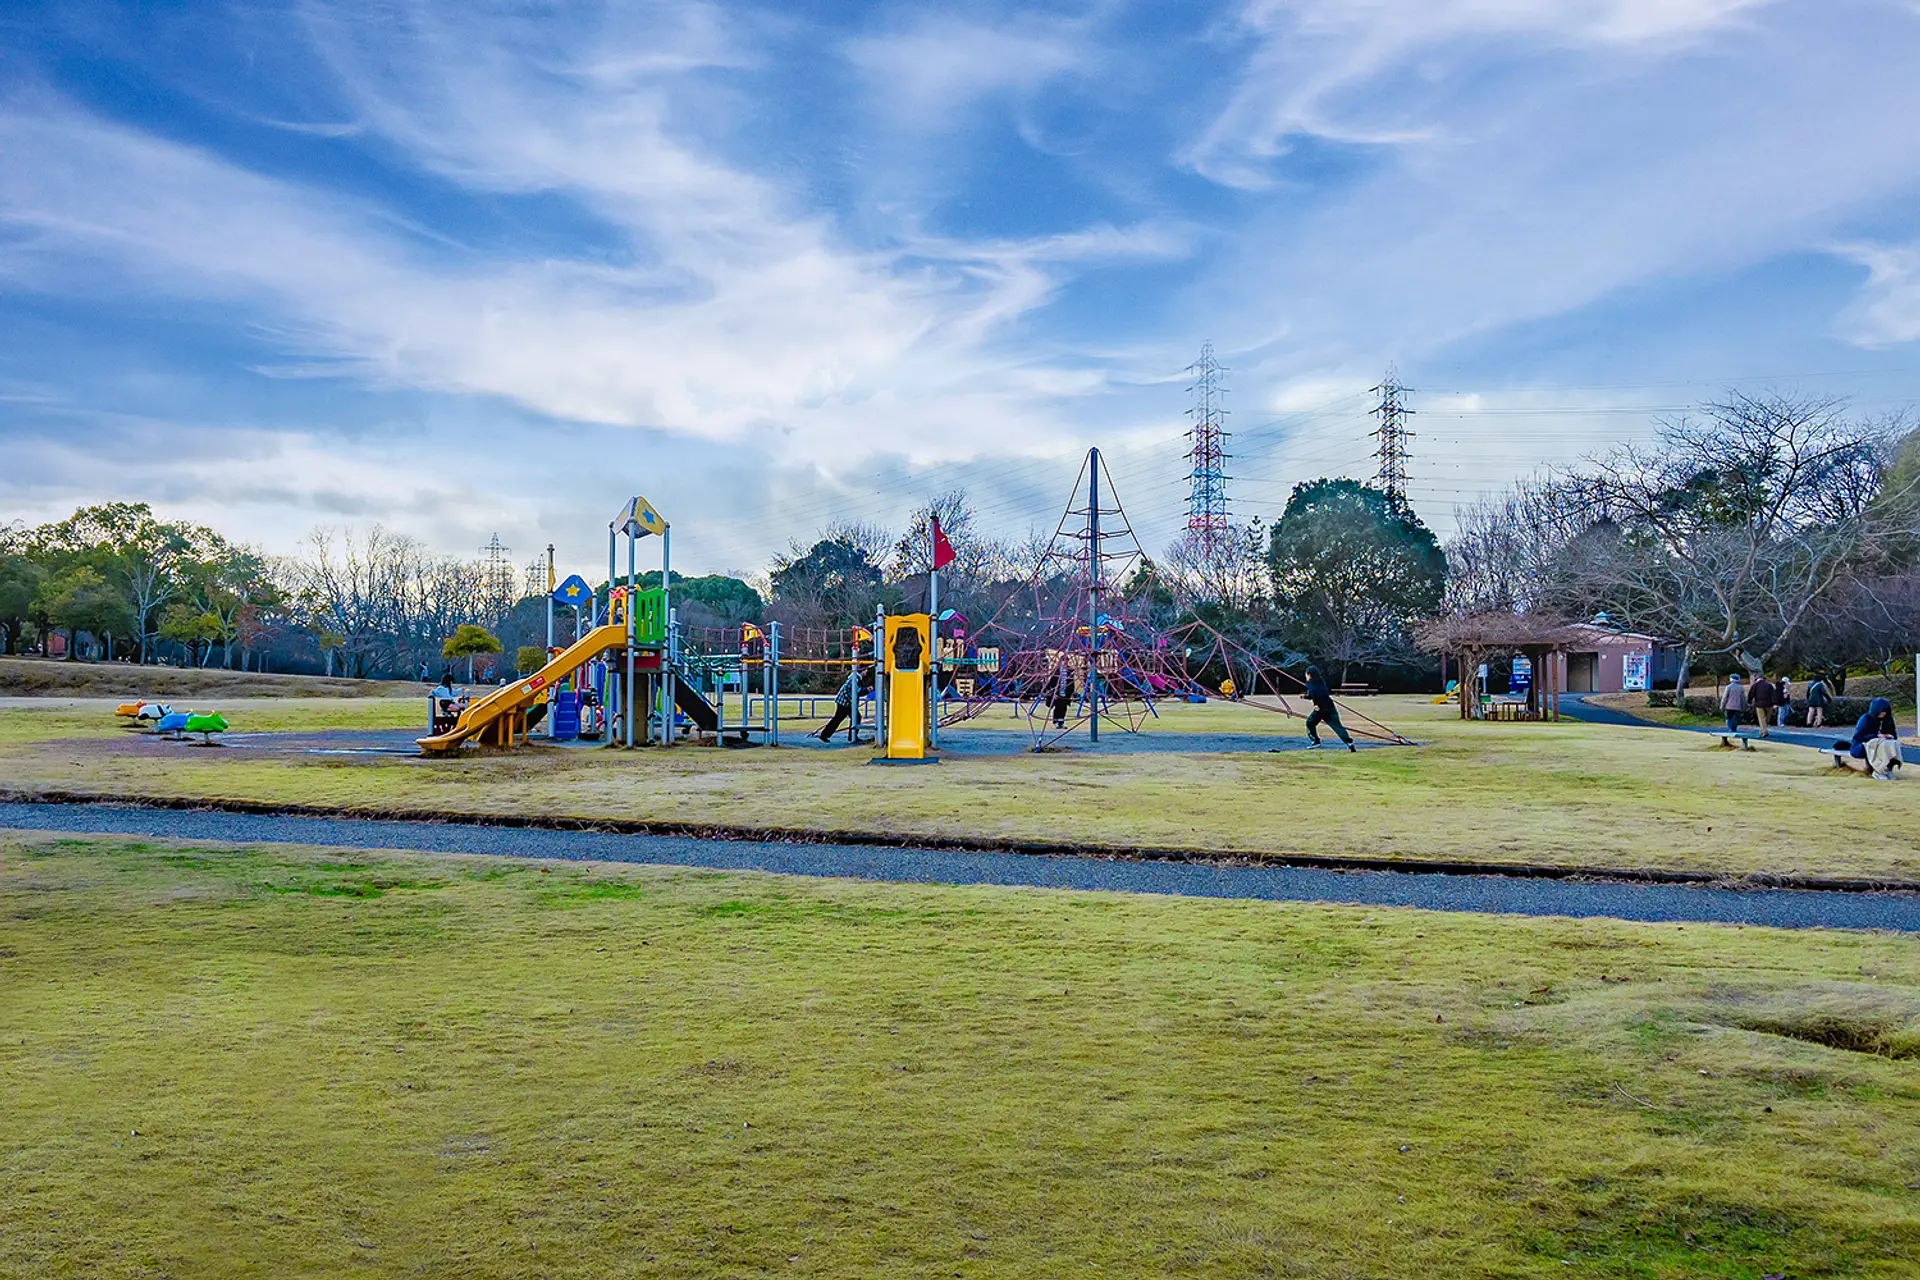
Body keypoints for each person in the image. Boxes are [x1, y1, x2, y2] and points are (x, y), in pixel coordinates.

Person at [1302, 664, 1355, 752]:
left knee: (1310, 723)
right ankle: (1349, 743)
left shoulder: (1310, 683)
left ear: (1309, 675)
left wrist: (1316, 704)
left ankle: (1315, 741)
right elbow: (1318, 693)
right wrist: (1306, 697)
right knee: (1337, 726)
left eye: (1306, 675)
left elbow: (1314, 693)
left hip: (1320, 708)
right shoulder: (1321, 681)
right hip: (1330, 706)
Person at [815, 663, 873, 743]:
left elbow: (856, 691)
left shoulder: (855, 677)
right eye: (866, 670)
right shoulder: (855, 679)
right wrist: (866, 690)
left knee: (839, 718)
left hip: (845, 701)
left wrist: (866, 690)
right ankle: (852, 736)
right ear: (862, 670)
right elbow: (853, 692)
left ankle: (825, 735)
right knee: (854, 717)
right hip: (845, 702)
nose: (866, 672)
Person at [1850, 697, 1903, 780]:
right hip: (1862, 745)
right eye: (1880, 713)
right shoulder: (1866, 719)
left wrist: (1889, 736)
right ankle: (1879, 770)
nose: (1882, 715)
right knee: (1880, 744)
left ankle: (1888, 769)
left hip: (1882, 743)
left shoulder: (1888, 720)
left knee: (1893, 744)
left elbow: (1894, 735)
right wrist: (1876, 736)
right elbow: (1859, 737)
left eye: (1884, 713)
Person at [1747, 671, 1776, 738]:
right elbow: (1774, 695)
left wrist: (1749, 701)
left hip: (1759, 704)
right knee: (1767, 718)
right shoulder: (1769, 685)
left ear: (1756, 679)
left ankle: (1764, 731)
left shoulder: (1755, 685)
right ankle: (1764, 728)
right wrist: (1774, 703)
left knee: (1761, 718)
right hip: (1769, 704)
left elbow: (1751, 694)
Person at [1049, 659, 1076, 728]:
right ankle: (1055, 722)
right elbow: (1051, 683)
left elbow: (1071, 683)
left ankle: (1061, 722)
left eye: (1067, 661)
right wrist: (1053, 693)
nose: (1066, 662)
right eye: (1064, 661)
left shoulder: (1069, 671)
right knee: (1057, 708)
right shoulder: (1057, 671)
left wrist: (1071, 693)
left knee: (1064, 709)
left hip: (1066, 694)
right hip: (1058, 693)